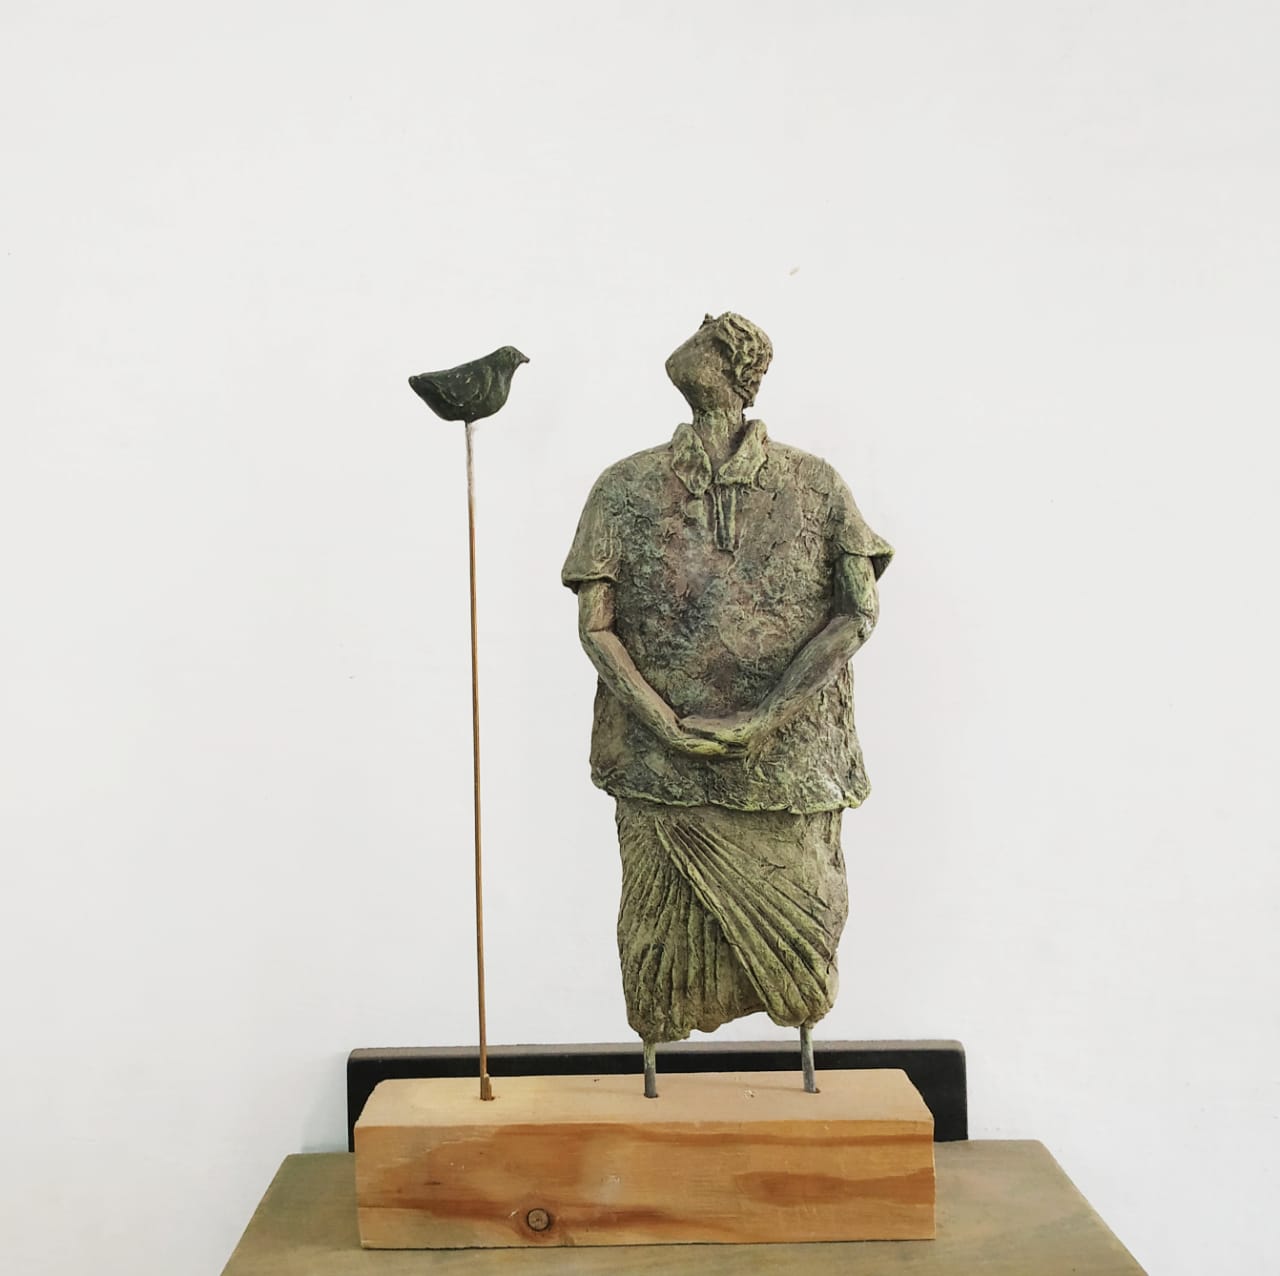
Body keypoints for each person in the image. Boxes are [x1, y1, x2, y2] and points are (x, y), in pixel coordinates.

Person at [562, 313, 892, 1096]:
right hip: (660, 774)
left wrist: (766, 716)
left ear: (740, 369)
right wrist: (661, 721)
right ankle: (659, 1047)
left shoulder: (815, 485)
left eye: (715, 334)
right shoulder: (624, 486)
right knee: (657, 950)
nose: (699, 329)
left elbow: (858, 612)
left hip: (788, 769)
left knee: (805, 949)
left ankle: (796, 1029)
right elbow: (595, 625)